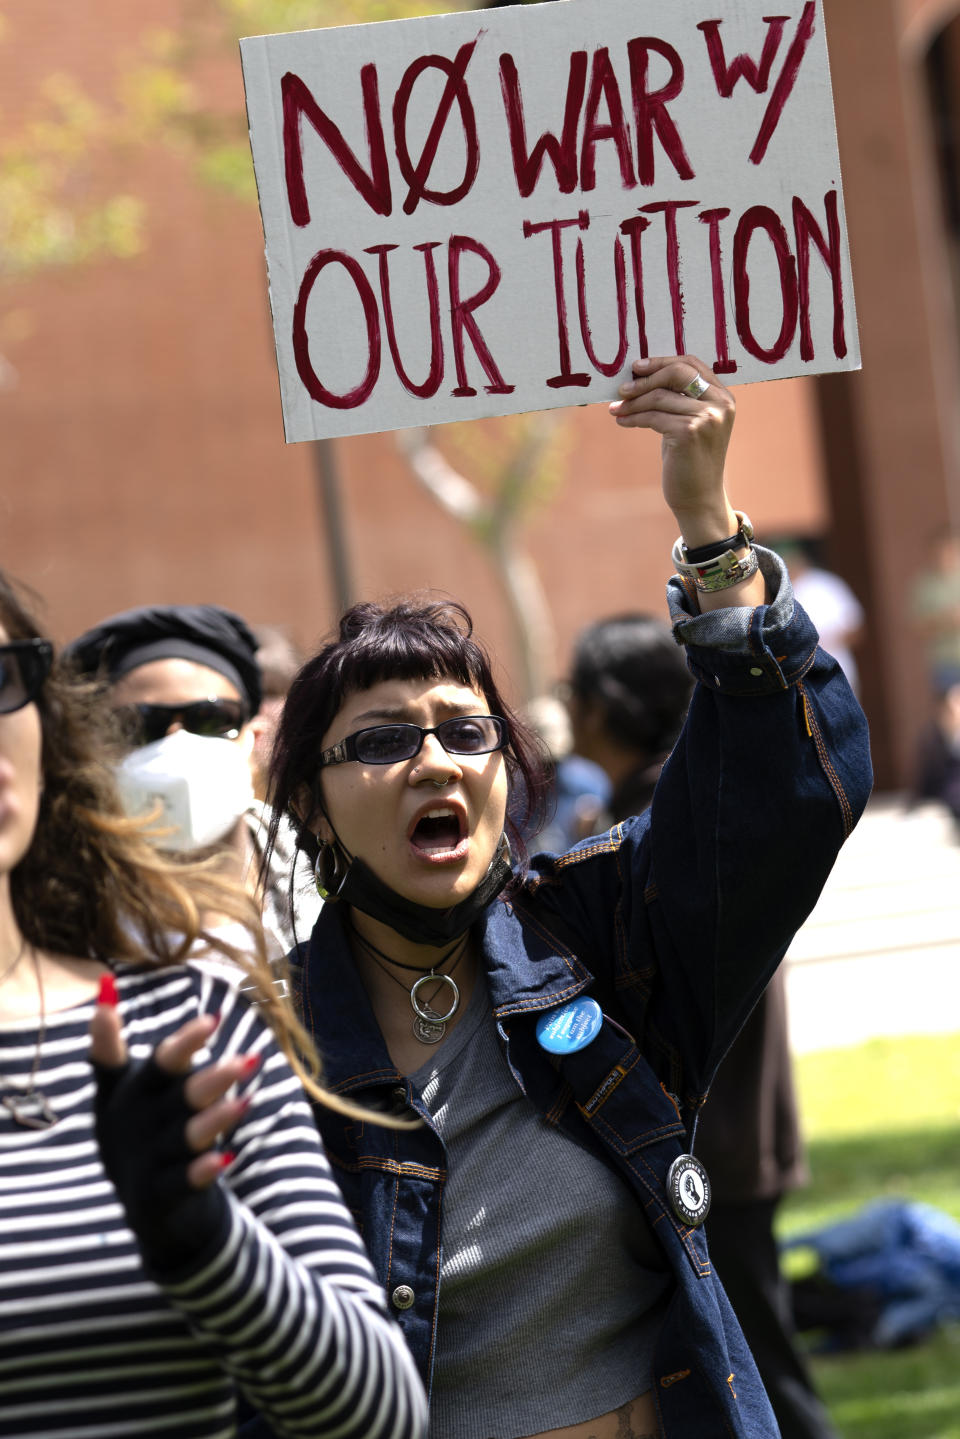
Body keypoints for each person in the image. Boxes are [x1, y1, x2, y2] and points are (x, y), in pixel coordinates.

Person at [262, 354, 872, 1439]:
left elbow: (776, 800)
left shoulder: (598, 939)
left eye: (465, 729)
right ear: (310, 803)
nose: (435, 761)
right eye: (383, 740)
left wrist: (710, 527)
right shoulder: (265, 1048)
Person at [0, 572, 427, 1437]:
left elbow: (383, 1413)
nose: (180, 745)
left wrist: (205, 1240)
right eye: (144, 727)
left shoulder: (181, 1028)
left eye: (0, 677)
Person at [564, 611, 835, 1439]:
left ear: (604, 707)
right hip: (727, 1140)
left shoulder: (666, 819)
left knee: (759, 1376)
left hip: (707, 1147)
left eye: (575, 696)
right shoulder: (663, 805)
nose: (567, 714)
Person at [65, 604, 318, 959]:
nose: (177, 743)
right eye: (139, 725)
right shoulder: (59, 912)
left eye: (209, 718)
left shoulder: (321, 866)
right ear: (98, 754)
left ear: (253, 740)